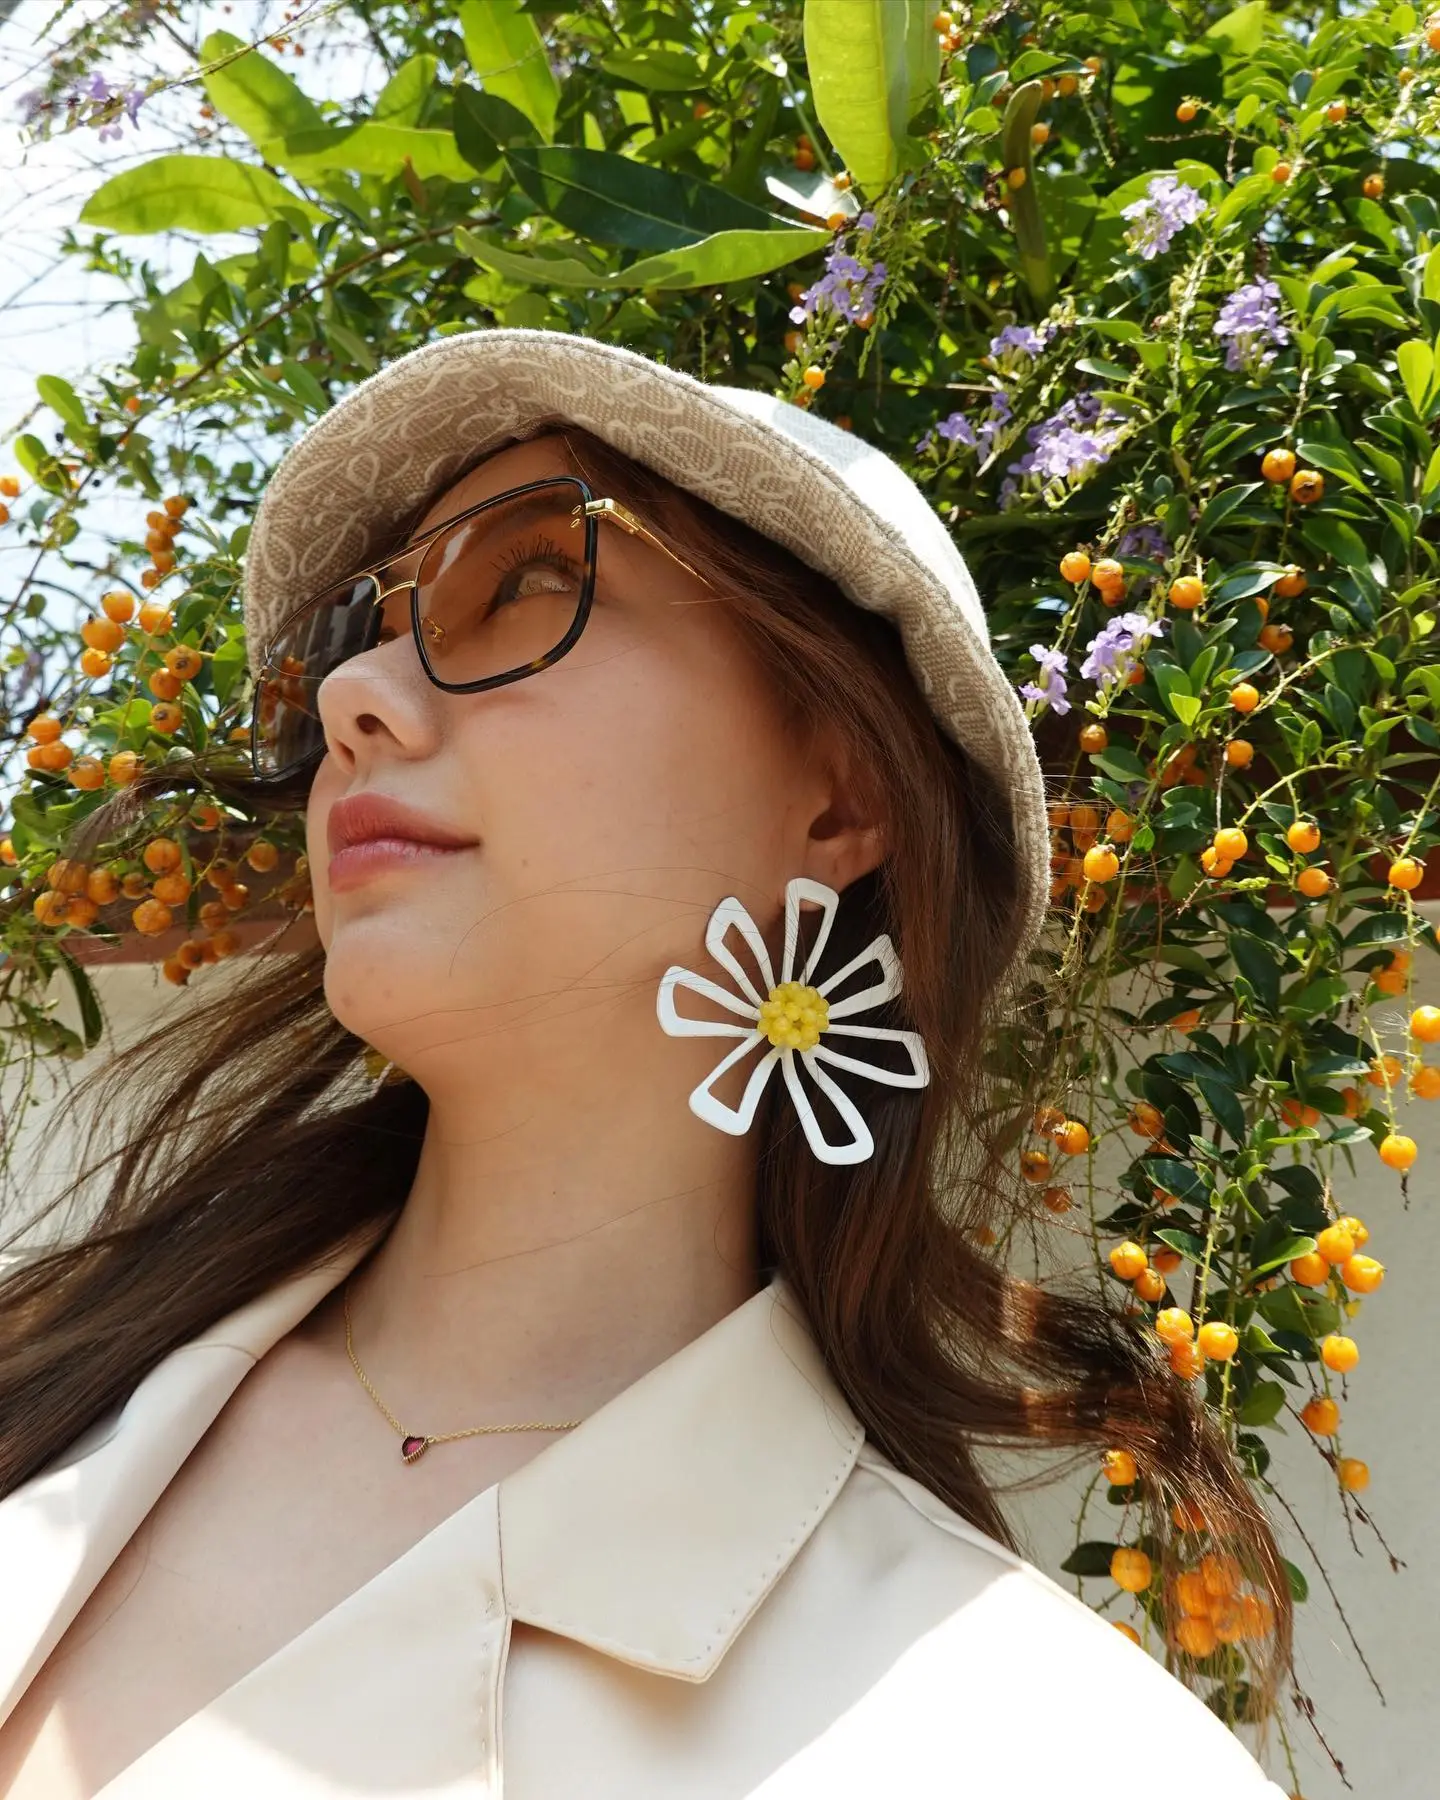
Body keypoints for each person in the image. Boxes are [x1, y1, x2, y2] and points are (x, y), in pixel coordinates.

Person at [0, 330, 1290, 1797]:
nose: (357, 690)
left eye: (532, 580)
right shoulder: (62, 1390)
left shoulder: (1035, 1752)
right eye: (371, 622)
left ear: (840, 798)